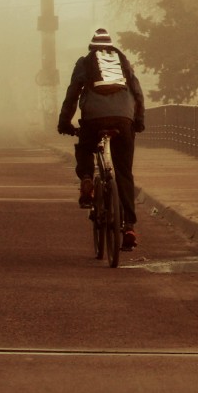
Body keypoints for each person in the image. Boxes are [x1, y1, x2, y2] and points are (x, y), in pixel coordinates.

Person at [57, 28, 146, 250]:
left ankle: (87, 179)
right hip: (123, 119)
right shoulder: (122, 61)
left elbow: (73, 93)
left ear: (92, 47)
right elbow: (137, 92)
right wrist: (139, 120)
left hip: (94, 118)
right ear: (111, 47)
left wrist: (64, 122)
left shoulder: (85, 62)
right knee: (124, 172)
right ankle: (129, 226)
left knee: (85, 148)